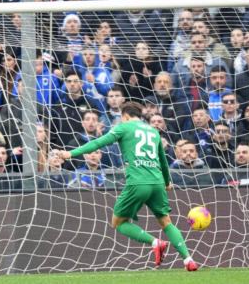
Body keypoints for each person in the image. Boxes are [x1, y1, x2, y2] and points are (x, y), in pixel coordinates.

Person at [58, 102, 198, 271]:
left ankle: (155, 242)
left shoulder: (123, 127)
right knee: (166, 222)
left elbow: (97, 143)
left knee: (118, 221)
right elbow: (163, 161)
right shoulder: (153, 131)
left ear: (124, 116)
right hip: (157, 182)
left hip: (137, 182)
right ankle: (188, 260)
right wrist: (168, 182)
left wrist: (70, 153)